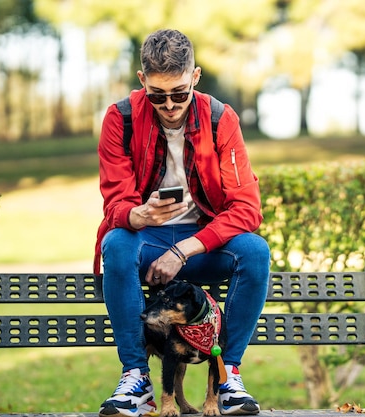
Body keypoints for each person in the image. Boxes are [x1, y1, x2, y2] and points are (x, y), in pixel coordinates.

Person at [94, 28, 271, 417]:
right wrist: (136, 214)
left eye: (179, 93)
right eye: (158, 95)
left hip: (200, 243)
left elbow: (247, 209)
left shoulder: (221, 119)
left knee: (255, 252)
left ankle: (227, 376)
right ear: (143, 82)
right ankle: (136, 379)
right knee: (117, 244)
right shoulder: (119, 118)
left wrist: (183, 249)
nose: (170, 104)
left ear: (195, 76)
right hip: (147, 240)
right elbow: (115, 204)